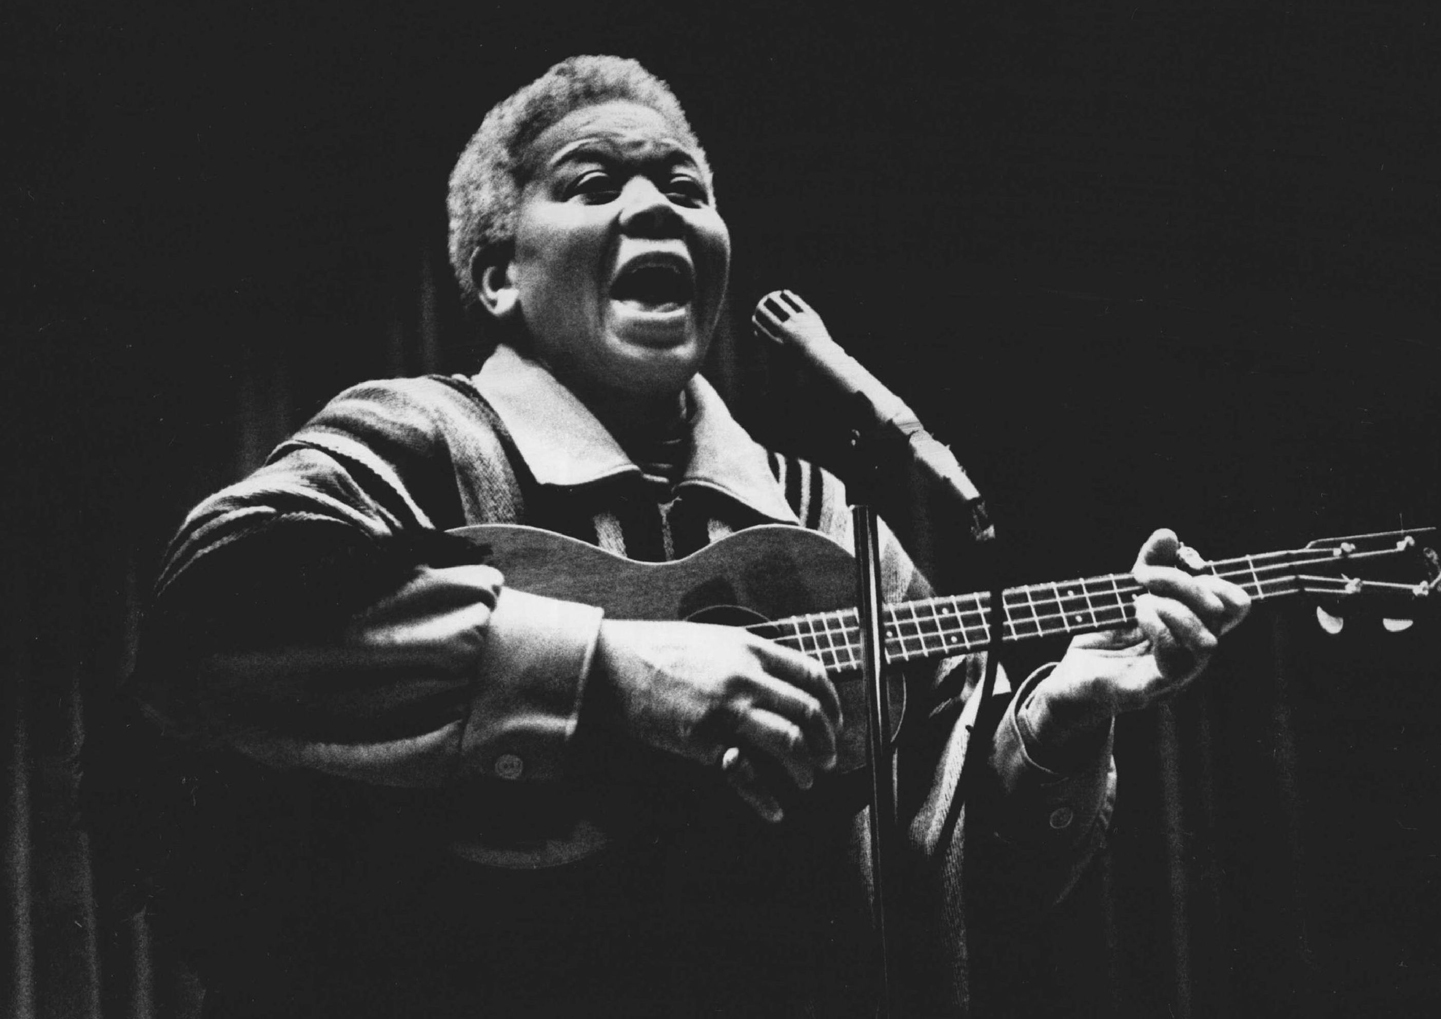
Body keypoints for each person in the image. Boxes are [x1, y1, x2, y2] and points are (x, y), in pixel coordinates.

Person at [125, 55, 1250, 1017]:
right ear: (495, 274)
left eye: (684, 184)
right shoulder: (422, 434)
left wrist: (1062, 716)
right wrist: (609, 669)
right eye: (594, 182)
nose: (657, 205)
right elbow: (217, 612)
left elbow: (953, 883)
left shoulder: (828, 523)